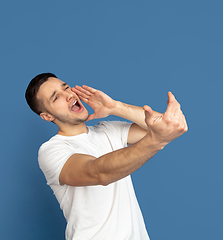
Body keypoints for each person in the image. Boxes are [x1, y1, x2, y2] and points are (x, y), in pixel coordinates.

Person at [25, 73, 188, 240]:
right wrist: (156, 141)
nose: (69, 95)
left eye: (66, 88)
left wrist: (115, 107)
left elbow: (164, 125)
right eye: (56, 97)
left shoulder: (108, 130)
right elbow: (97, 173)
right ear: (47, 116)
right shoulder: (52, 150)